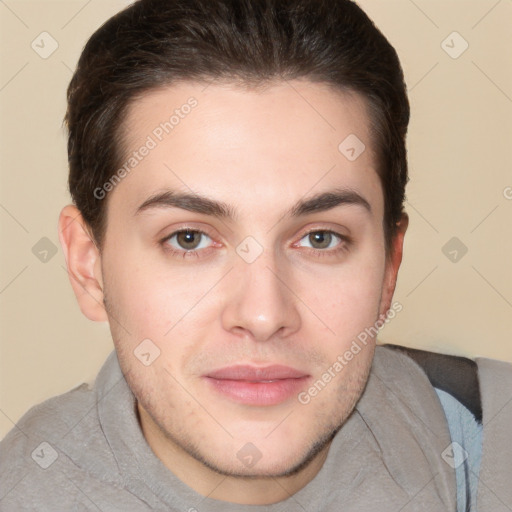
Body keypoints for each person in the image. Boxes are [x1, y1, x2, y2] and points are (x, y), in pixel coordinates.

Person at [0, 0, 510, 510]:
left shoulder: (490, 441)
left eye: (320, 238)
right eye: (189, 239)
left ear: (389, 267)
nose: (264, 315)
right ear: (89, 267)